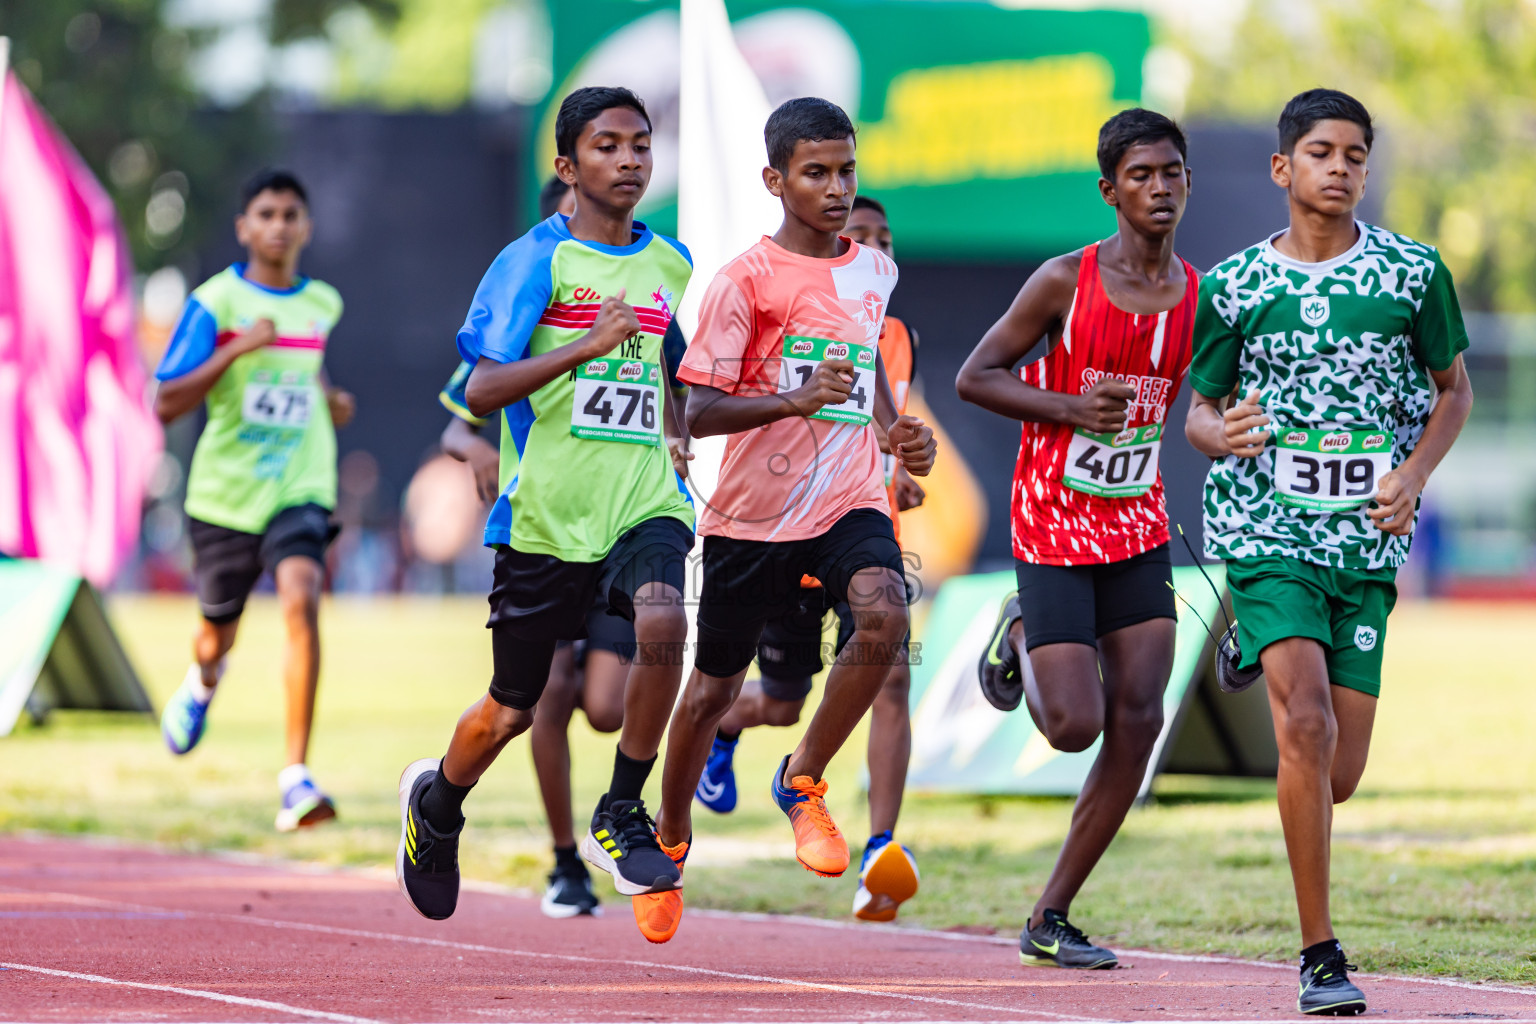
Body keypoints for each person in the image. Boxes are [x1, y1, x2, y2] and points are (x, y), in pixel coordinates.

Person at [1183, 89, 1472, 1016]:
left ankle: (1255, 653)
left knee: (1336, 769)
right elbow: (1197, 411)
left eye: (1354, 153)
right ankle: (1319, 954)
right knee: (1302, 725)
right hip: (1267, 531)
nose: (1339, 167)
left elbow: (1453, 391)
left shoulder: (1413, 274)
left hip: (1368, 541)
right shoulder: (1233, 287)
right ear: (1283, 169)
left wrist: (1415, 474)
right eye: (1320, 152)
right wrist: (1217, 436)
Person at [395, 87, 697, 936]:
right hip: (545, 520)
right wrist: (582, 348)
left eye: (641, 145)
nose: (630, 160)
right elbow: (484, 387)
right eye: (608, 146)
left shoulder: (670, 264)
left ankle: (622, 808)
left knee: (666, 623)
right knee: (511, 709)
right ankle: (439, 805)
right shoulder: (534, 262)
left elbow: (672, 373)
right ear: (567, 166)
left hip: (643, 504)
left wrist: (677, 427)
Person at [641, 97, 936, 946]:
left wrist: (893, 433)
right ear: (776, 180)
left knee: (885, 615)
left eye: (847, 170)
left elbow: (868, 366)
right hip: (752, 517)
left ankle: (802, 780)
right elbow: (697, 410)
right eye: (817, 173)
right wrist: (793, 398)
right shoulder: (744, 279)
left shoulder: (875, 273)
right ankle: (667, 842)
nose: (838, 188)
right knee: (710, 695)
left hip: (847, 502)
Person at [955, 109, 1197, 970]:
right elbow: (973, 376)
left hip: (1135, 520)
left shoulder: (1196, 296)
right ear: (1110, 190)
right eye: (1142, 175)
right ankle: (1020, 627)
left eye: (1172, 173)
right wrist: (1066, 407)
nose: (1159, 188)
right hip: (1054, 516)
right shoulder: (1064, 281)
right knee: (1072, 727)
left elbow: (1199, 402)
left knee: (1140, 717)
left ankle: (1050, 915)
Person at [692, 194, 925, 923]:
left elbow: (880, 412)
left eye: (881, 240)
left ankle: (882, 849)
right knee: (784, 699)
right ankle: (729, 728)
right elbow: (709, 408)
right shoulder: (767, 294)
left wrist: (902, 453)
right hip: (778, 532)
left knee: (890, 672)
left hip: (857, 524)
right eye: (860, 236)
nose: (870, 250)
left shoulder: (892, 333)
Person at [154, 169, 356, 832]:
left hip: (299, 483)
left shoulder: (322, 303)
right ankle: (202, 681)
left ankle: (295, 778)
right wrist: (239, 348)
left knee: (302, 597)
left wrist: (328, 398)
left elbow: (304, 370)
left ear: (306, 227)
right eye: (266, 213)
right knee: (217, 635)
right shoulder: (215, 303)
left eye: (291, 214)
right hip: (225, 495)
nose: (279, 225)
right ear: (244, 227)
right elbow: (166, 400)